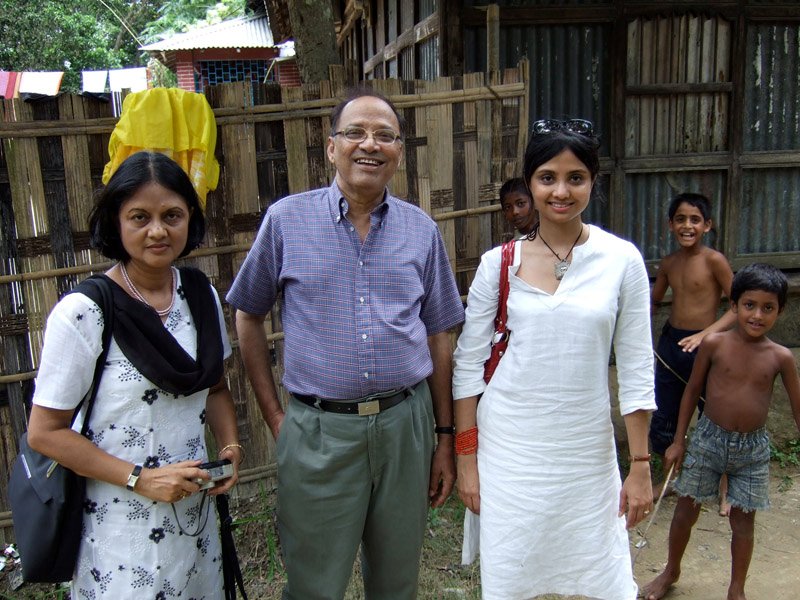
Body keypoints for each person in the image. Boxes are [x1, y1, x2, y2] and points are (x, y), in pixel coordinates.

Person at [226, 88, 465, 599]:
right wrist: (275, 417)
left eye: (385, 135)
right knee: (315, 584)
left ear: (399, 151)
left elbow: (440, 333)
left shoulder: (421, 231)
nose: (369, 145)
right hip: (318, 431)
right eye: (355, 132)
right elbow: (248, 315)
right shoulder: (287, 221)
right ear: (331, 147)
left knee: (396, 581)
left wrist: (443, 437)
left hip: (406, 426)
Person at [452, 118, 656, 600]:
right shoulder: (497, 263)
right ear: (530, 183)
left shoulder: (621, 260)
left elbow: (635, 366)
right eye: (547, 178)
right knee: (510, 579)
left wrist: (641, 463)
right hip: (509, 452)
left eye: (575, 178)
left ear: (593, 182)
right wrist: (467, 460)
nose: (560, 191)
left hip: (586, 452)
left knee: (604, 577)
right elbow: (466, 365)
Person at [26, 151, 242, 598]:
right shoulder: (84, 313)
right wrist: (141, 479)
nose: (158, 230)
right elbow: (45, 434)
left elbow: (216, 388)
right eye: (140, 217)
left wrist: (229, 447)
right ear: (116, 223)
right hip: (119, 529)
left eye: (172, 215)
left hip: (193, 517)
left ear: (190, 220)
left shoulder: (200, 296)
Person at [642, 263, 800, 600]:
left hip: (752, 451)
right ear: (734, 306)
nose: (757, 315)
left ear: (780, 311)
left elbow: (797, 405)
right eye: (749, 305)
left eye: (768, 308)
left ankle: (736, 588)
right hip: (707, 442)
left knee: (743, 522)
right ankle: (671, 570)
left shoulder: (781, 357)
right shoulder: (714, 344)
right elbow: (691, 390)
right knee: (686, 510)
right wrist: (678, 440)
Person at [650, 193, 736, 513]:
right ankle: (672, 477)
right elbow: (654, 301)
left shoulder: (715, 260)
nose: (688, 225)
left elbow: (738, 307)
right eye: (681, 219)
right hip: (672, 345)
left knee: (715, 414)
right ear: (671, 225)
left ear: (707, 225)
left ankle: (725, 486)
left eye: (695, 220)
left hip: (706, 345)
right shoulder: (669, 264)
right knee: (665, 415)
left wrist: (705, 334)